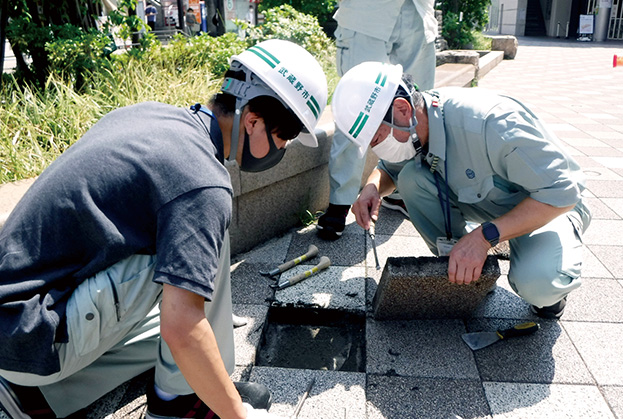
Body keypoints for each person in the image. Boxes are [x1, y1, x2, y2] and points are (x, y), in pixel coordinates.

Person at [0, 39, 328, 419]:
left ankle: (37, 397)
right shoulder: (201, 179)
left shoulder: (154, 117)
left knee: (175, 316)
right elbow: (183, 329)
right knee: (189, 283)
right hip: (31, 331)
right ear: (252, 119)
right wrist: (236, 414)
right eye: (283, 138)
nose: (282, 149)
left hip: (17, 321)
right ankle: (179, 401)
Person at [333, 61, 591, 319]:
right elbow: (391, 169)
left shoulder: (493, 123)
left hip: (546, 207)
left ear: (402, 109)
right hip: (491, 203)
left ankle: (550, 296)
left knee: (539, 284)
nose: (376, 149)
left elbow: (562, 193)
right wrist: (372, 187)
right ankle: (469, 272)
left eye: (376, 139)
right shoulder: (415, 123)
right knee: (412, 178)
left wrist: (483, 237)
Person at [316, 0, 438, 241]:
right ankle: (341, 200)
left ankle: (401, 190)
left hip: (418, 10)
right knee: (356, 107)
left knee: (414, 108)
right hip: (366, 13)